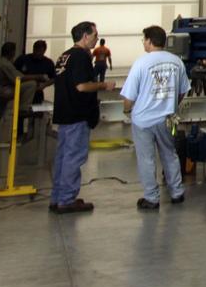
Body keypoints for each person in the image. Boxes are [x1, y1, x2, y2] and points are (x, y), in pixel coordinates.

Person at [121, 25, 189, 210]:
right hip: (167, 119)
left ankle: (151, 198)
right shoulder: (177, 62)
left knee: (147, 159)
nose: (143, 43)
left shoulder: (141, 63)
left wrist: (127, 110)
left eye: (144, 39)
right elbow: (183, 91)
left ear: (150, 41)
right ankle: (177, 192)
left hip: (143, 120)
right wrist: (171, 105)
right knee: (170, 155)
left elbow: (129, 97)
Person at [52, 21, 117, 214]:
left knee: (63, 157)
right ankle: (66, 199)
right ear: (85, 36)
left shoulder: (65, 56)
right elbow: (81, 86)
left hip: (64, 113)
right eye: (95, 35)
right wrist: (104, 86)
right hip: (77, 114)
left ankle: (58, 197)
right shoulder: (81, 56)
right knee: (73, 157)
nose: (97, 39)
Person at [0, 43, 46, 133]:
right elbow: (18, 78)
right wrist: (38, 77)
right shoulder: (5, 64)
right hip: (3, 90)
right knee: (31, 84)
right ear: (12, 52)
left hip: (0, 89)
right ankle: (23, 108)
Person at [14, 40, 56, 104]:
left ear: (44, 51)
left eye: (40, 52)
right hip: (22, 91)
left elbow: (54, 78)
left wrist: (44, 85)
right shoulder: (23, 59)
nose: (38, 53)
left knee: (36, 111)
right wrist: (38, 77)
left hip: (37, 93)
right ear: (33, 49)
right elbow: (15, 75)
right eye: (36, 51)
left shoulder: (48, 63)